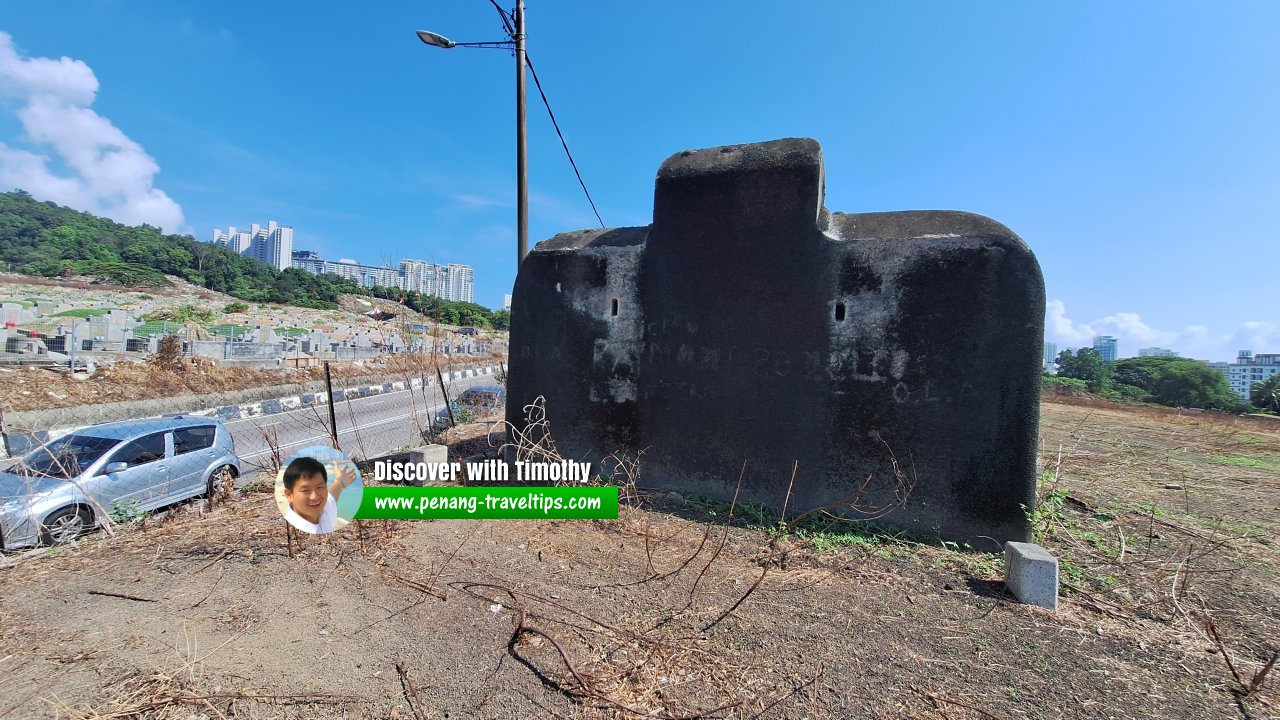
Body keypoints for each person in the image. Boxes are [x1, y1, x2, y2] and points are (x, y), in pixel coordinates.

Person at [281, 455, 358, 534]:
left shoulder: (324, 509)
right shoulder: (290, 532)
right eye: (305, 490)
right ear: (289, 495)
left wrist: (340, 480)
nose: (315, 497)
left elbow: (331, 496)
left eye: (319, 487)